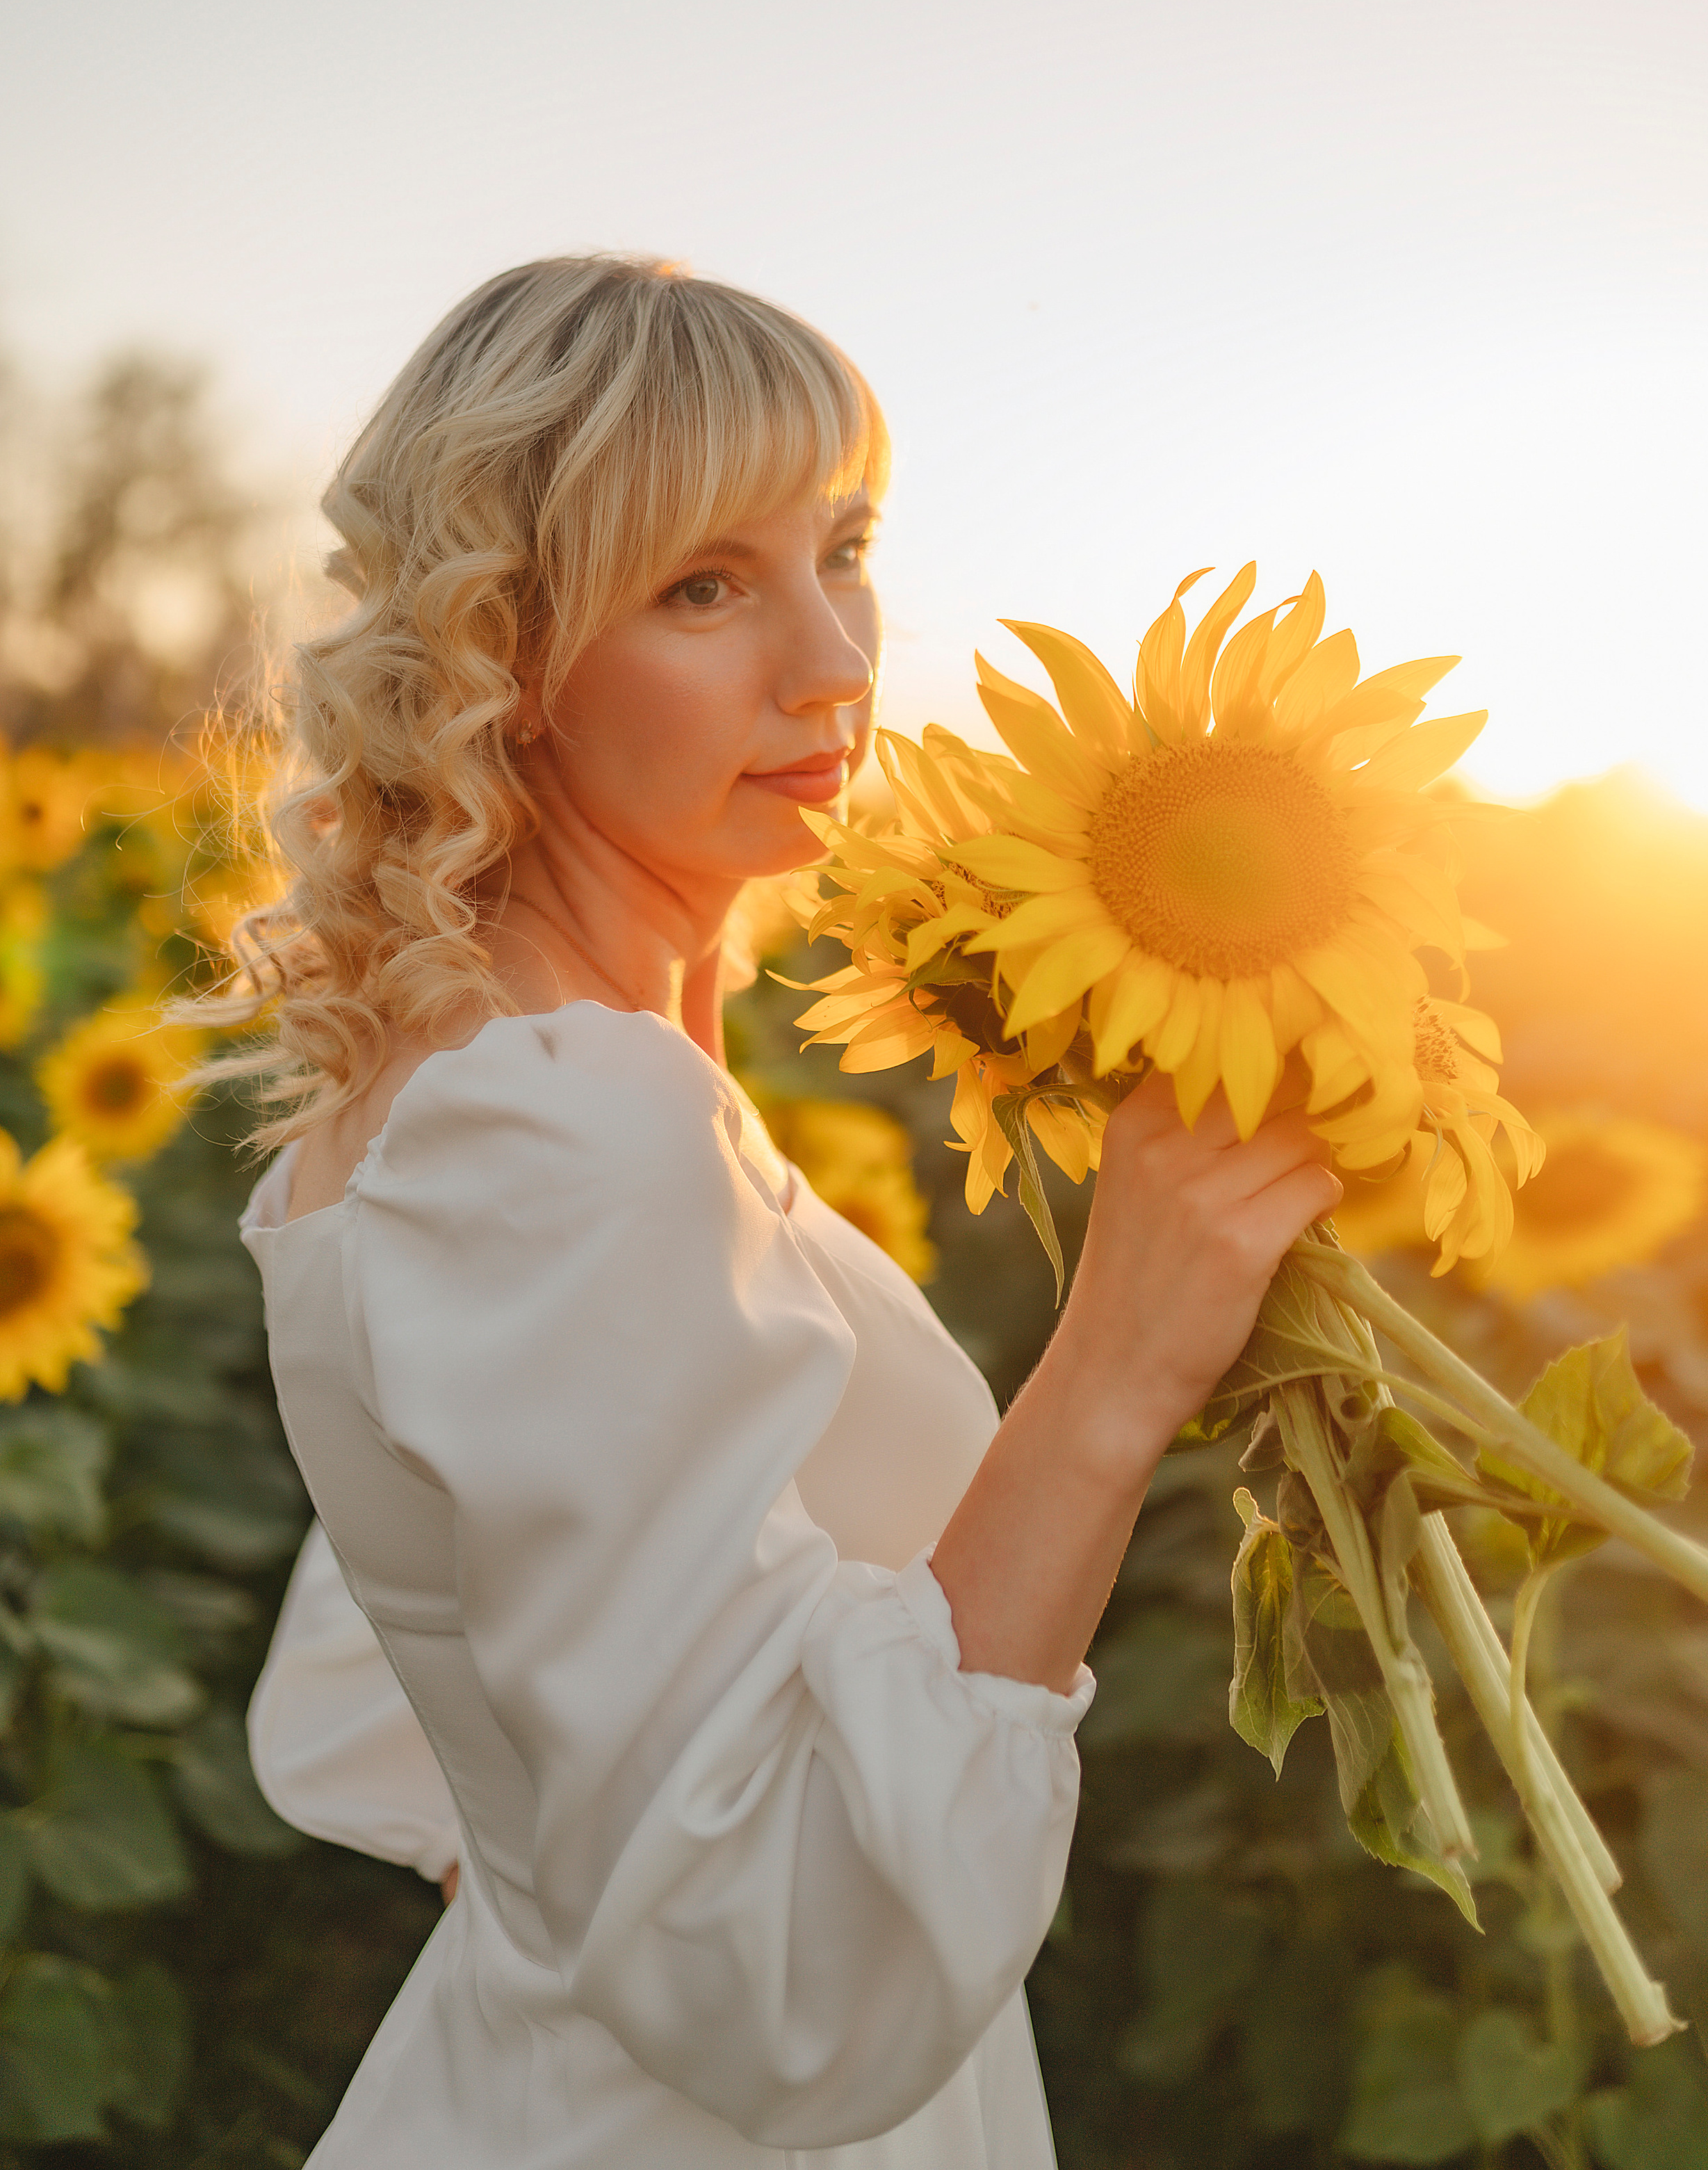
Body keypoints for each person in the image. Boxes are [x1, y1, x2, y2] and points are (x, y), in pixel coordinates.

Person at [228, 257, 1338, 2167]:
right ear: (507, 656)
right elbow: (793, 1986)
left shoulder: (507, 1086)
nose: (832, 660)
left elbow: (403, 1639)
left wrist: (559, 1863)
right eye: (704, 587)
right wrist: (1121, 1361)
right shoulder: (570, 1126)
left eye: (846, 548)